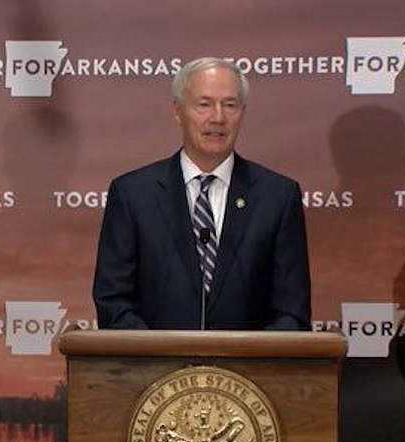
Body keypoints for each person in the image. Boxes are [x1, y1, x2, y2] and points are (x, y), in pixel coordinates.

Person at [93, 57, 311, 331]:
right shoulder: (132, 195)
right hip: (154, 371)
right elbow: (114, 303)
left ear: (242, 112)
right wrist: (163, 365)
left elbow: (292, 312)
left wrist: (245, 368)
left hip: (248, 372)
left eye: (230, 105)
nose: (218, 118)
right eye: (204, 104)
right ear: (177, 111)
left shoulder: (278, 197)